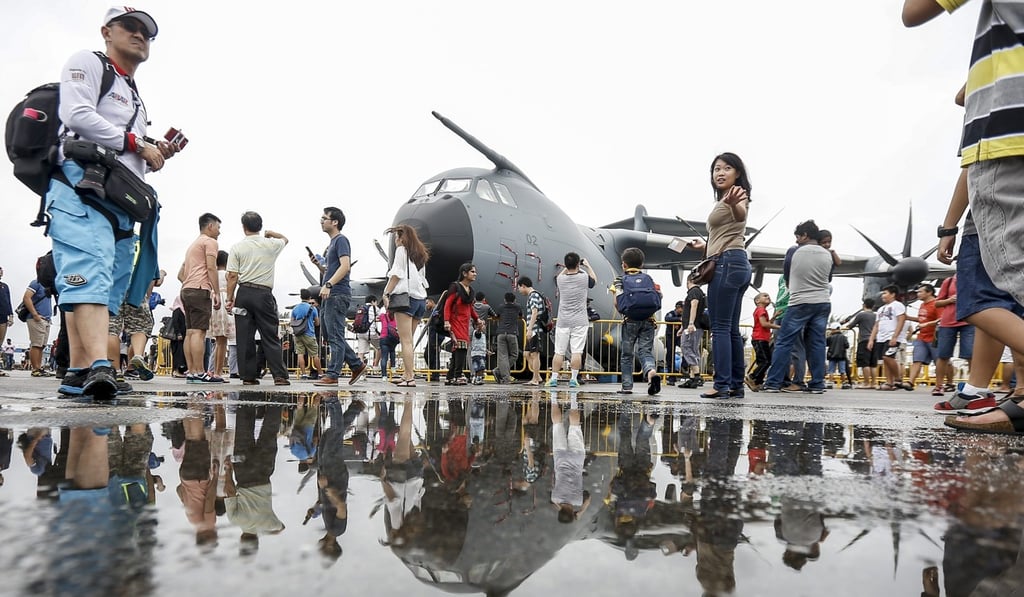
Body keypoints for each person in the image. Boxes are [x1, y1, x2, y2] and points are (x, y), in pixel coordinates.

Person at [904, 2, 1024, 431]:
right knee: (1005, 295)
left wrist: (947, 227)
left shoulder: (993, 108)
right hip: (998, 154)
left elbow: (912, 11)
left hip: (1006, 143)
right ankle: (1006, 397)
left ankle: (982, 392)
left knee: (986, 297)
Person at [47, 7, 178, 399]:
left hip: (122, 196)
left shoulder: (134, 95)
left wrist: (154, 152)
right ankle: (97, 365)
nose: (140, 36)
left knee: (109, 283)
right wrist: (139, 143)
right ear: (107, 32)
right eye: (131, 28)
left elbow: (128, 152)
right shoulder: (88, 63)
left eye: (147, 33)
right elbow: (77, 114)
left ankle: (77, 369)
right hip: (83, 183)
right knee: (89, 269)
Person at [687, 152, 753, 398]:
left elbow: (740, 214)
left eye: (727, 168)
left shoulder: (736, 195)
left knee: (721, 328)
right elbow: (728, 233)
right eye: (716, 169)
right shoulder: (725, 197)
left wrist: (735, 203)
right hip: (736, 262)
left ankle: (721, 384)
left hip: (726, 264)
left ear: (738, 173)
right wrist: (702, 247)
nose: (720, 172)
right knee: (732, 329)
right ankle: (735, 384)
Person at [761, 221, 833, 395]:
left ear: (805, 235)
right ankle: (817, 383)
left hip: (800, 301)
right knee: (817, 343)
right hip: (823, 302)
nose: (797, 240)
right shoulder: (827, 254)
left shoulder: (794, 251)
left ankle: (773, 382)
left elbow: (787, 276)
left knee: (784, 342)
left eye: (798, 236)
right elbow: (829, 278)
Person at [224, 211, 290, 386]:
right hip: (264, 294)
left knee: (245, 336)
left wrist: (230, 298)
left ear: (243, 227)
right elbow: (285, 239)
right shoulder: (271, 244)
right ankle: (279, 375)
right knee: (269, 334)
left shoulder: (237, 247)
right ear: (260, 227)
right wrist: (271, 233)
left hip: (244, 293)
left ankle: (248, 375)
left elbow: (232, 276)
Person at [314, 207, 367, 387]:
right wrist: (320, 267)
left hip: (337, 293)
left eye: (324, 218)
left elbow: (345, 266)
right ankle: (356, 364)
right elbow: (333, 269)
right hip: (331, 293)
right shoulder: (332, 245)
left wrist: (329, 284)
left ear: (334, 222)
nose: (321, 221)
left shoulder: (341, 240)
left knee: (335, 335)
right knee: (330, 334)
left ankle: (333, 374)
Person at [380, 224, 430, 387]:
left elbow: (396, 274)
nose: (395, 240)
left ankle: (409, 378)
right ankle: (407, 374)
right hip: (420, 300)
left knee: (406, 340)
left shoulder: (402, 250)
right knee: (409, 341)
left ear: (402, 238)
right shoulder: (419, 254)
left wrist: (386, 293)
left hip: (405, 299)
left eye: (396, 237)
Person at [178, 213, 222, 383]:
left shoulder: (193, 245)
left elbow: (181, 274)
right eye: (218, 227)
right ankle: (199, 371)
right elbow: (211, 268)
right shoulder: (210, 242)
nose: (219, 232)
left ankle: (191, 371)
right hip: (199, 289)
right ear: (210, 226)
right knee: (199, 332)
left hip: (186, 289)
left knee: (190, 332)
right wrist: (216, 292)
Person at [614, 248, 662, 396]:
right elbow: (659, 296)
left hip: (630, 321)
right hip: (648, 320)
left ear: (624, 265)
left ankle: (627, 387)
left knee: (627, 354)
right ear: (641, 265)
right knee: (645, 351)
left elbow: (617, 302)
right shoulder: (649, 279)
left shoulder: (619, 280)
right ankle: (651, 372)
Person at [546, 252, 597, 388]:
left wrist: (567, 267)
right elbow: (594, 280)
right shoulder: (583, 277)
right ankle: (574, 379)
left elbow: (562, 274)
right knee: (577, 352)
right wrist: (586, 265)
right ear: (577, 264)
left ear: (566, 265)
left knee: (559, 352)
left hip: (563, 321)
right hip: (580, 321)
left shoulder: (560, 280)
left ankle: (554, 378)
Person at [550, 394, 591, 523]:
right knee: (557, 425)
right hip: (560, 457)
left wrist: (581, 511)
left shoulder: (577, 500)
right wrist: (561, 509)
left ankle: (573, 400)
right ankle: (553, 397)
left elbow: (589, 497)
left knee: (575, 427)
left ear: (572, 512)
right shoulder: (555, 498)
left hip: (576, 458)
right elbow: (555, 505)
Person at [933, 275, 973, 396]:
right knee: (943, 355)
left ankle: (974, 386)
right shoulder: (949, 281)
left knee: (971, 354)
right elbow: (937, 303)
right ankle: (938, 386)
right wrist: (949, 300)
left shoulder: (974, 278)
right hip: (948, 322)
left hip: (970, 321)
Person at [443, 263, 481, 386]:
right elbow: (448, 304)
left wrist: (477, 319)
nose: (475, 274)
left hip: (465, 323)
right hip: (455, 321)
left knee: (458, 348)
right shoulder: (455, 287)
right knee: (462, 347)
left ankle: (450, 376)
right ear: (464, 273)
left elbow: (470, 308)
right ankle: (458, 375)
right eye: (472, 272)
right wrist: (446, 321)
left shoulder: (471, 290)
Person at [867, 286, 909, 391]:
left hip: (892, 336)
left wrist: (895, 336)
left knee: (888, 357)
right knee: (885, 360)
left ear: (893, 294)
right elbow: (876, 325)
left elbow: (901, 320)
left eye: (885, 293)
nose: (882, 296)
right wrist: (871, 339)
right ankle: (889, 383)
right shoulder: (881, 309)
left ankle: (898, 379)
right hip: (881, 337)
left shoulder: (898, 305)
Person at [908, 284, 942, 391]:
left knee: (940, 361)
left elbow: (940, 320)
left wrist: (926, 325)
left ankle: (945, 383)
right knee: (917, 359)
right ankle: (910, 382)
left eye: (920, 292)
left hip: (934, 337)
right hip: (922, 336)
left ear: (929, 292)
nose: (918, 294)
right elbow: (922, 319)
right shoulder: (923, 305)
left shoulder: (936, 304)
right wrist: (908, 318)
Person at [677, 275, 708, 388]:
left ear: (688, 281)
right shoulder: (700, 292)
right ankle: (692, 377)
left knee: (686, 347)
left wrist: (690, 323)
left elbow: (694, 305)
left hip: (692, 327)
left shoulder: (693, 292)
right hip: (694, 326)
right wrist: (683, 326)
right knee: (693, 349)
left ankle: (697, 375)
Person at [205, 251, 233, 381]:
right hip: (223, 303)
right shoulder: (227, 275)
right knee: (222, 342)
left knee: (217, 341)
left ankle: (213, 371)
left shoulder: (212, 275)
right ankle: (218, 372)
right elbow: (232, 290)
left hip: (213, 304)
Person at [841, 298, 878, 389]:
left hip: (864, 340)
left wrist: (847, 325)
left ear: (864, 305)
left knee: (865, 363)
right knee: (873, 364)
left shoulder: (861, 315)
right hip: (874, 340)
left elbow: (851, 325)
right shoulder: (876, 316)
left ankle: (866, 383)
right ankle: (873, 383)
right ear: (873, 306)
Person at [517, 276, 547, 385]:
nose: (519, 291)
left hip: (535, 329)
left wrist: (529, 329)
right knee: (526, 353)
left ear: (523, 285)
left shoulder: (533, 295)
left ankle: (535, 379)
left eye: (519, 288)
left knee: (535, 354)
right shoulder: (532, 295)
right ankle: (537, 376)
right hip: (533, 329)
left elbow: (535, 312)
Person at [747, 291, 779, 390]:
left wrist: (774, 317)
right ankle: (752, 377)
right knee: (766, 361)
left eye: (768, 295)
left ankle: (757, 382)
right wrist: (779, 327)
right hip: (760, 339)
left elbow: (765, 323)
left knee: (762, 361)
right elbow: (764, 324)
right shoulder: (761, 310)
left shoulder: (761, 310)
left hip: (759, 338)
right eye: (765, 296)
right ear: (757, 301)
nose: (768, 297)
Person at [24, 279, 54, 377]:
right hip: (36, 318)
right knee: (36, 344)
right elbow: (26, 297)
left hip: (46, 319)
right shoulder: (36, 283)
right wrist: (35, 314)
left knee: (42, 345)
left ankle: (38, 367)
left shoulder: (48, 285)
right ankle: (35, 369)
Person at [493, 292, 523, 384]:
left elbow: (496, 316)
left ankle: (499, 370)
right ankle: (505, 377)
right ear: (514, 300)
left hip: (501, 333)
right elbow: (521, 316)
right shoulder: (517, 306)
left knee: (503, 356)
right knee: (514, 355)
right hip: (512, 333)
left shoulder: (501, 307)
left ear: (505, 300)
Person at [292, 289, 322, 380]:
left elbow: (292, 321)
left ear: (300, 297)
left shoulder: (295, 308)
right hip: (309, 333)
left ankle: (303, 374)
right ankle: (320, 373)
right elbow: (317, 323)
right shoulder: (312, 308)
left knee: (300, 354)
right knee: (314, 354)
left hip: (298, 334)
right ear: (309, 297)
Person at [354, 296, 381, 374]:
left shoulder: (360, 308)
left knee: (361, 353)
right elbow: (381, 317)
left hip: (361, 333)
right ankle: (375, 366)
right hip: (371, 333)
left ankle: (361, 373)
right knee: (381, 347)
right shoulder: (375, 308)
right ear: (373, 301)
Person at [825, 325, 853, 389]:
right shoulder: (844, 337)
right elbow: (847, 346)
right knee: (842, 370)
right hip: (841, 356)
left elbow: (826, 344)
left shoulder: (830, 337)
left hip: (832, 355)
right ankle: (843, 383)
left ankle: (830, 383)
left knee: (831, 370)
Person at [378, 309, 398, 380]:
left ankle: (384, 376)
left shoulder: (383, 316)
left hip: (384, 337)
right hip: (393, 337)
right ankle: (393, 367)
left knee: (384, 357)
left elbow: (378, 317)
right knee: (392, 351)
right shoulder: (396, 317)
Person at [0, 267, 12, 375]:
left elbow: (8, 301)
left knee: (0, 342)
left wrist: (11, 315)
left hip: (3, 317)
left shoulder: (5, 286)